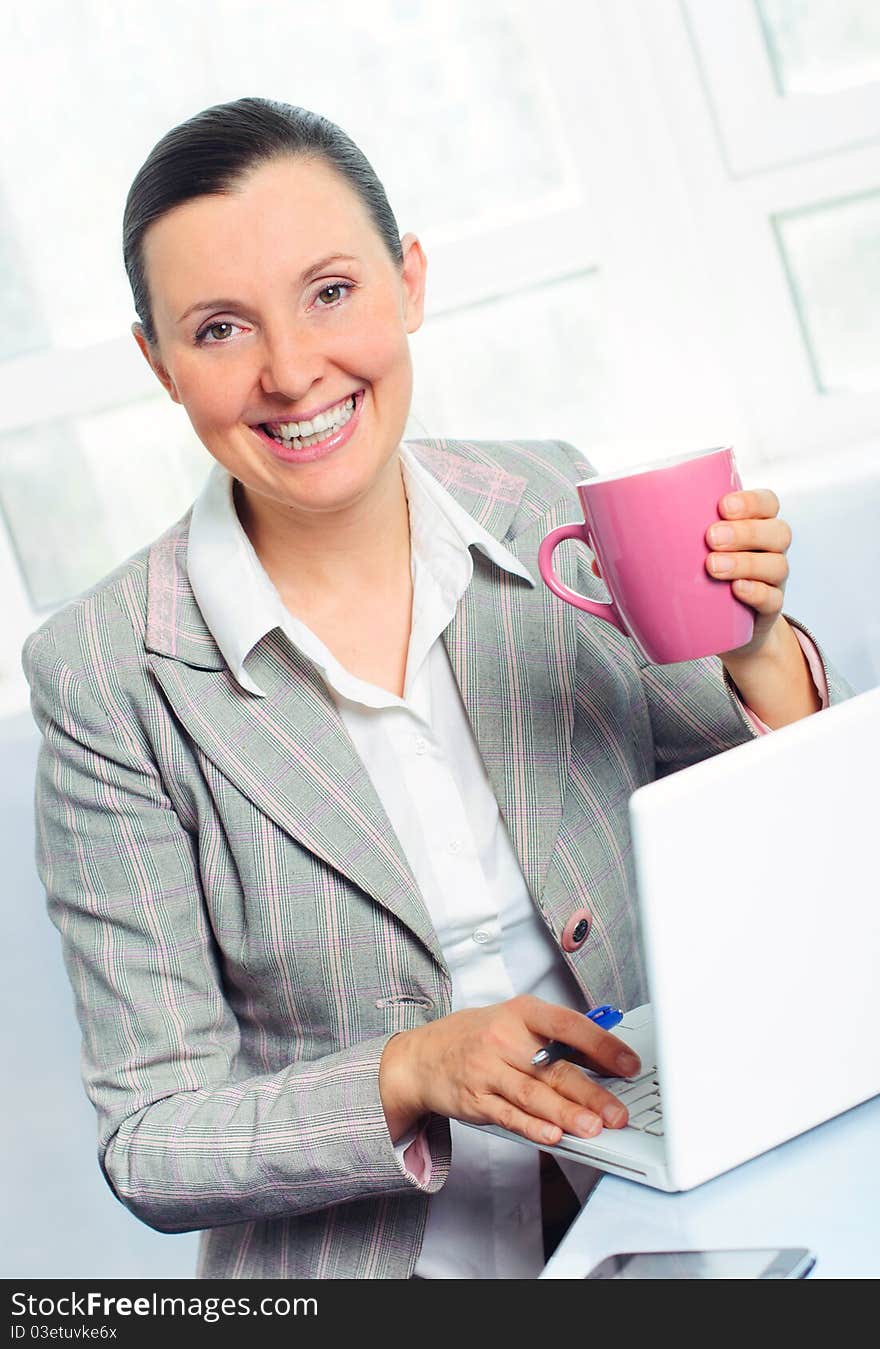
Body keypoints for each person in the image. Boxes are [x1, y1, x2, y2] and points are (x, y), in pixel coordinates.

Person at [21, 97, 853, 1281]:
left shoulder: (547, 499)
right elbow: (152, 1137)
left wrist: (756, 646)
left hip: (675, 1211)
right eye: (218, 328)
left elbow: (780, 845)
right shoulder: (107, 673)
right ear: (158, 363)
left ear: (407, 282)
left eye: (330, 292)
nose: (293, 369)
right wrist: (409, 1068)